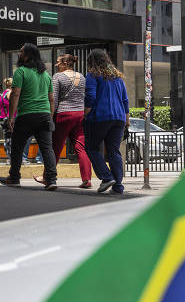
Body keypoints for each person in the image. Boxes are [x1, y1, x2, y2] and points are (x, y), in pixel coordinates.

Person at [0, 43, 56, 190]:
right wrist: (49, 116)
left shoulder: (21, 72)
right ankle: (51, 180)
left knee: (17, 147)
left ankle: (14, 178)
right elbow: (51, 99)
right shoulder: (46, 75)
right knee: (47, 148)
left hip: (27, 115)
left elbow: (16, 94)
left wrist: (11, 116)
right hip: (44, 115)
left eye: (21, 52)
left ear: (28, 55)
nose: (19, 54)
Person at [36, 54, 91, 188]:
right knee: (80, 147)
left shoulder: (58, 77)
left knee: (55, 147)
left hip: (63, 115)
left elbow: (53, 99)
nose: (56, 65)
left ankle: (47, 178)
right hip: (79, 114)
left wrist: (49, 117)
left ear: (65, 63)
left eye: (58, 63)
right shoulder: (82, 77)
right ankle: (87, 179)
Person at [83, 49, 129, 194]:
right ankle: (118, 186)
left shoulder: (92, 75)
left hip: (100, 117)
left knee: (92, 147)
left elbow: (90, 96)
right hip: (119, 118)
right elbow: (125, 100)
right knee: (114, 151)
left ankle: (106, 176)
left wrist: (85, 112)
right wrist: (127, 120)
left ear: (91, 62)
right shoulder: (118, 77)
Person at [0, 77, 11, 163]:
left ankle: (9, 157)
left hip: (3, 118)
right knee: (12, 139)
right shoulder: (10, 93)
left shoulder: (2, 94)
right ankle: (12, 158)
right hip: (10, 118)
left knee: (7, 139)